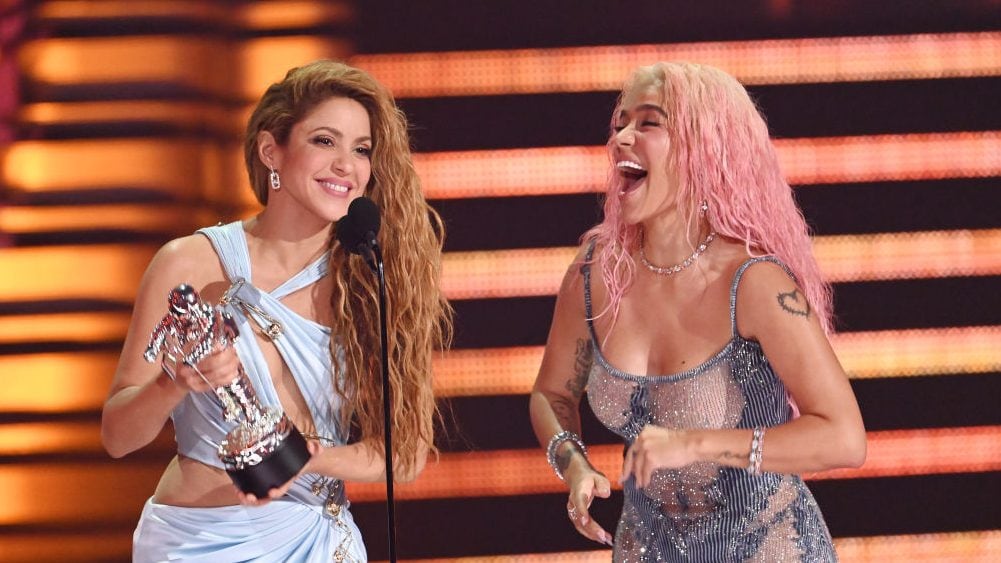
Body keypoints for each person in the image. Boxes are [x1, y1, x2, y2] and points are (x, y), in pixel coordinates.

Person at [101, 60, 451, 562]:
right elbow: (117, 437)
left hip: (316, 541)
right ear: (272, 151)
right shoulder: (193, 263)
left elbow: (407, 453)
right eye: (324, 142)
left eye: (361, 150)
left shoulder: (371, 279)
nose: (346, 166)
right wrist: (172, 383)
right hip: (198, 545)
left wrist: (306, 460)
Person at [529, 62, 866, 562]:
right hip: (645, 550)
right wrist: (573, 465)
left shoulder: (753, 282)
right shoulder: (596, 273)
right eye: (620, 122)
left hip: (767, 550)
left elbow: (844, 438)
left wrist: (695, 443)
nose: (621, 137)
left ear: (701, 148)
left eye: (648, 123)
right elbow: (551, 393)